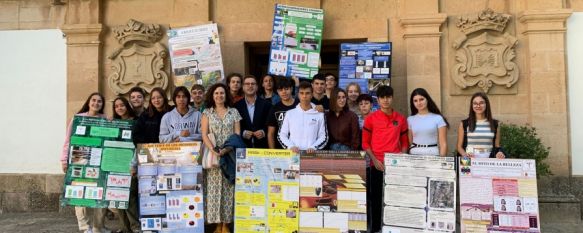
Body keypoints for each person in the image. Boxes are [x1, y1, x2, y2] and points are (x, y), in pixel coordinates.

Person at [361, 85, 409, 232]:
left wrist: (399, 158)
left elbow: (405, 142)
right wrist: (375, 160)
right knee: (375, 198)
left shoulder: (400, 119)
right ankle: (375, 228)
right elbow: (365, 143)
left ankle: (393, 227)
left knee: (394, 197)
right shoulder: (371, 119)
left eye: (388, 97)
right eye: (382, 97)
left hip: (394, 164)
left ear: (392, 98)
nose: (386, 100)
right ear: (378, 99)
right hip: (377, 164)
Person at [61, 92, 109, 233]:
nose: (96, 103)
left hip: (99, 160)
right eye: (93, 100)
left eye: (99, 101)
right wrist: (64, 160)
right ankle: (84, 227)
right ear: (89, 102)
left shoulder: (105, 119)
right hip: (79, 158)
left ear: (102, 105)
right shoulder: (77, 118)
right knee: (79, 193)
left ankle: (98, 227)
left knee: (102, 193)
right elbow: (68, 140)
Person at [201, 83, 242, 233]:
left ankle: (226, 223)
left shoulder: (234, 112)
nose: (219, 96)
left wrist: (227, 149)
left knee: (229, 190)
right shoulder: (207, 113)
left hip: (230, 155)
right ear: (212, 95)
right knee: (213, 191)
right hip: (213, 156)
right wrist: (213, 149)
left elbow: (237, 134)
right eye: (216, 93)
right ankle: (217, 224)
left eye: (222, 93)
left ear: (226, 95)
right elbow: (204, 134)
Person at [111, 96, 140, 233]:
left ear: (127, 106)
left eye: (122, 105)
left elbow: (137, 144)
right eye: (116, 106)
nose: (119, 108)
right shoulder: (114, 123)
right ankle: (125, 228)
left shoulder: (136, 122)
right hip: (116, 165)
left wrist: (134, 164)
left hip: (130, 165)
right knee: (118, 197)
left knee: (130, 197)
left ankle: (135, 227)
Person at [278, 81, 328, 153]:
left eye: (307, 93)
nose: (304, 96)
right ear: (298, 95)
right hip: (293, 155)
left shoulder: (319, 115)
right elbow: (282, 134)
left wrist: (314, 147)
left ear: (312, 95)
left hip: (311, 156)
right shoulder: (289, 113)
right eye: (302, 93)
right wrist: (290, 146)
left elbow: (323, 136)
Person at [457, 92, 506, 158]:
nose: (478, 106)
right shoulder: (464, 124)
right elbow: (459, 147)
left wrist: (499, 153)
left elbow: (497, 145)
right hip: (469, 160)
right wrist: (465, 155)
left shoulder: (495, 124)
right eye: (475, 103)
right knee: (466, 168)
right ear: (472, 105)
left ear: (486, 104)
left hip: (488, 160)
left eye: (481, 103)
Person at [408, 88, 449, 156]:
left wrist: (442, 161)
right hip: (414, 154)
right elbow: (410, 142)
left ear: (427, 99)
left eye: (421, 99)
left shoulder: (438, 118)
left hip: (433, 153)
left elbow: (443, 143)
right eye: (415, 101)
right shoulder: (410, 119)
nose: (419, 103)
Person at [235, 75, 272, 148]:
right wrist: (243, 132)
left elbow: (272, 124)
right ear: (243, 87)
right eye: (247, 84)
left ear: (257, 87)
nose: (250, 86)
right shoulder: (236, 106)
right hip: (243, 147)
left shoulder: (267, 104)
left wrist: (264, 132)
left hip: (262, 146)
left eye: (253, 84)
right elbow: (232, 126)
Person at [267, 78, 299, 149]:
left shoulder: (300, 104)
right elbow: (270, 133)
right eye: (281, 90)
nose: (284, 92)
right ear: (277, 92)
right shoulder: (274, 108)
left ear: (291, 89)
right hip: (281, 149)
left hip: (300, 147)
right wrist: (272, 152)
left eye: (286, 89)